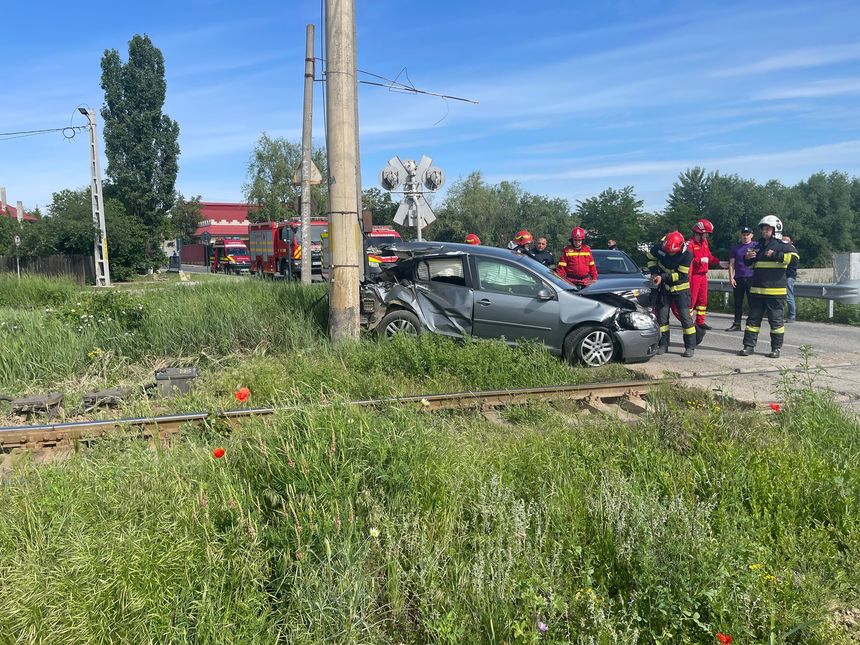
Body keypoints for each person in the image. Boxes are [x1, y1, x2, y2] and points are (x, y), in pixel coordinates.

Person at [739, 216, 798, 359]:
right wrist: (747, 258)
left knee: (776, 323)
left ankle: (776, 349)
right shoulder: (758, 246)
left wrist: (775, 255)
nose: (764, 232)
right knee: (752, 322)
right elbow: (750, 265)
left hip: (775, 293)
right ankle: (748, 346)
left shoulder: (782, 245)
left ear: (775, 230)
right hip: (757, 291)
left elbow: (794, 259)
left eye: (767, 229)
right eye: (763, 229)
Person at [647, 231, 697, 358]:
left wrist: (661, 277)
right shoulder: (659, 249)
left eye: (672, 252)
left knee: (686, 319)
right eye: (668, 251)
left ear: (680, 247)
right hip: (664, 289)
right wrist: (654, 272)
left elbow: (681, 276)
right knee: (662, 319)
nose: (670, 254)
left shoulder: (687, 255)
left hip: (680, 289)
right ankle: (663, 344)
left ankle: (690, 347)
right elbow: (651, 258)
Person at [686, 218, 721, 330]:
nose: (707, 236)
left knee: (702, 300)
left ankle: (700, 321)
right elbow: (688, 260)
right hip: (694, 276)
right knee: (692, 300)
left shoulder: (704, 243)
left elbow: (709, 257)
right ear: (699, 232)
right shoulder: (690, 244)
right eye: (706, 234)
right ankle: (689, 321)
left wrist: (719, 262)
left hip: (703, 276)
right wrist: (700, 260)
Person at [726, 226, 757, 331]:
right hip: (738, 277)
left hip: (751, 277)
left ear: (751, 235)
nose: (745, 237)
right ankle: (737, 323)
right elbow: (731, 264)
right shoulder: (735, 248)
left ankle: (751, 324)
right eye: (743, 235)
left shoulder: (756, 245)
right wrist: (731, 277)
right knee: (737, 302)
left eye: (747, 235)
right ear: (741, 236)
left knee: (752, 302)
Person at [781, 234, 799, 322]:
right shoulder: (783, 249)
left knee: (789, 296)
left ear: (791, 242)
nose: (784, 242)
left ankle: (792, 316)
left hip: (789, 276)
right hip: (782, 276)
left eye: (786, 241)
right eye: (782, 240)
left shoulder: (792, 251)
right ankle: (782, 315)